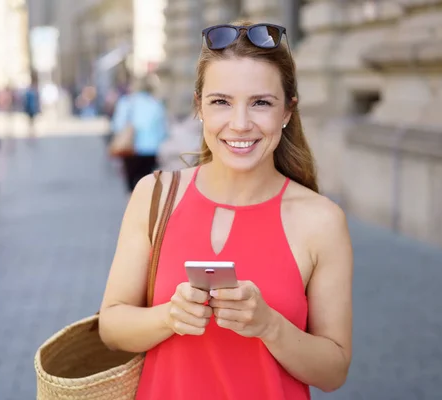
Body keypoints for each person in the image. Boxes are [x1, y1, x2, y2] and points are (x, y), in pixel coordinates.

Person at [99, 20, 353, 399]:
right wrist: (169, 316)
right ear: (198, 105)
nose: (239, 124)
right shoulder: (153, 195)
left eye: (261, 103)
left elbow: (333, 371)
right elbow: (112, 326)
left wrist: (270, 326)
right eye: (221, 102)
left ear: (287, 112)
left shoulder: (322, 220)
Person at [110, 76, 168, 193]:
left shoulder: (127, 102)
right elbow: (163, 131)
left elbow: (117, 126)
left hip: (130, 149)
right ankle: (145, 209)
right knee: (147, 184)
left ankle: (132, 209)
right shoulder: (156, 104)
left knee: (131, 186)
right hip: (151, 150)